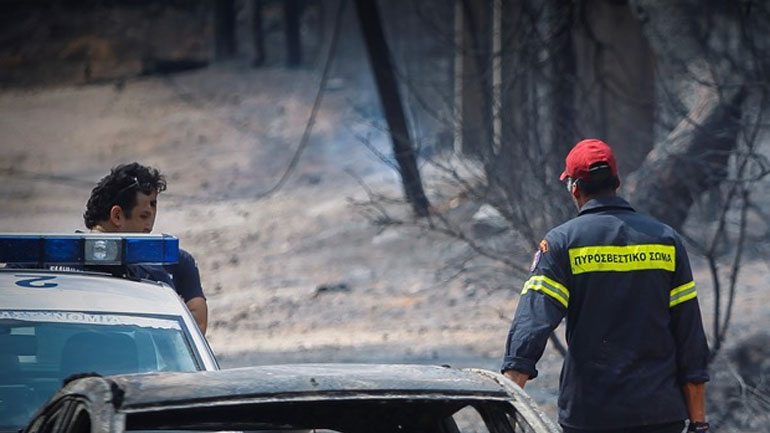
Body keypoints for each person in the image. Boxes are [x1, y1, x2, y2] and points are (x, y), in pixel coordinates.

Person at [501, 139, 710, 433]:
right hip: (660, 414)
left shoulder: (562, 244)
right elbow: (690, 337)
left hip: (591, 415)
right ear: (617, 182)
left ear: (574, 188)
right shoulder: (666, 241)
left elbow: (531, 325)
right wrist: (699, 421)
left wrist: (506, 408)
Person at [84, 162, 208, 335]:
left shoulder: (170, 263)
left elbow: (197, 326)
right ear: (117, 216)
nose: (149, 226)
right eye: (143, 216)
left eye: (153, 210)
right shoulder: (153, 276)